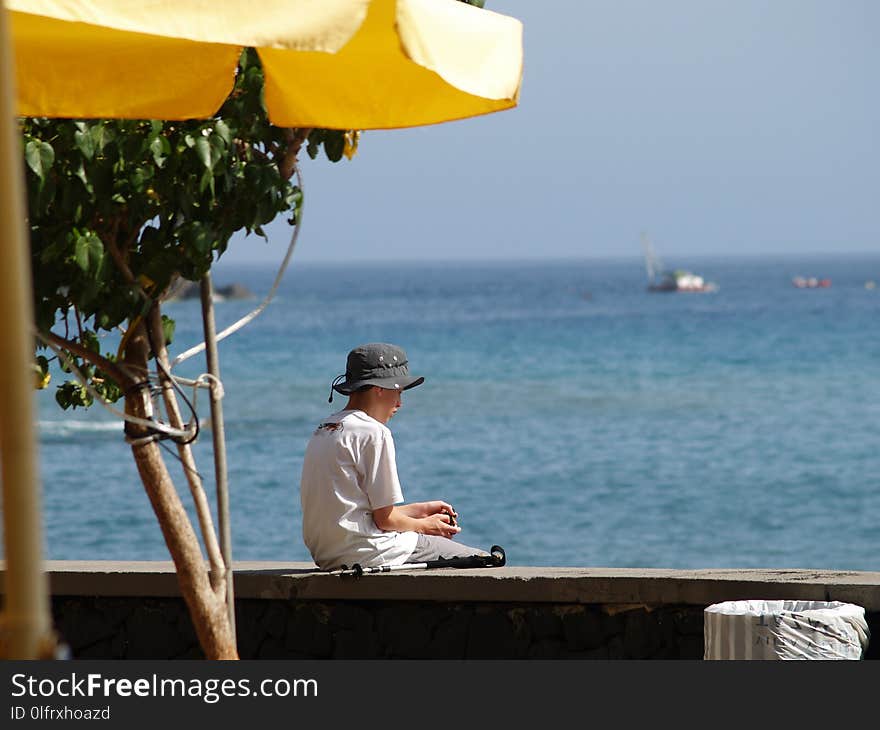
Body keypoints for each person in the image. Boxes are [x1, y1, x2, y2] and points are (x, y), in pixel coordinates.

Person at [299, 342, 488, 571]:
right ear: (379, 388)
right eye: (398, 392)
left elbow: (355, 513)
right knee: (485, 560)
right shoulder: (374, 432)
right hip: (370, 552)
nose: (400, 403)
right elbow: (385, 521)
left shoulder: (326, 428)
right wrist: (426, 526)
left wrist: (420, 509)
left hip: (329, 555)